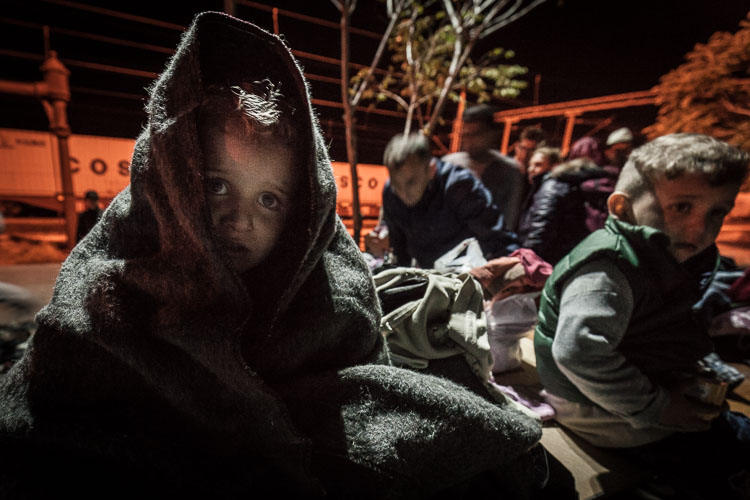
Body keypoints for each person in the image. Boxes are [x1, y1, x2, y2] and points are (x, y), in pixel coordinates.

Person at [0, 12, 544, 498]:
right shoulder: (110, 280)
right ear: (169, 175)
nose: (241, 220)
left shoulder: (330, 284)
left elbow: (358, 377)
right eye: (215, 186)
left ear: (302, 209)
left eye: (269, 199)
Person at [534, 133, 750, 499]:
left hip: (638, 393)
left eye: (717, 212)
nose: (701, 229)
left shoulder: (661, 253)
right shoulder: (608, 268)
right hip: (606, 413)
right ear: (621, 208)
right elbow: (577, 352)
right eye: (681, 207)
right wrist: (659, 407)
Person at [382, 132, 520, 269]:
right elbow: (399, 251)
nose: (403, 193)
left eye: (411, 182)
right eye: (396, 184)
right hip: (429, 275)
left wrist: (513, 271)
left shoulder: (459, 186)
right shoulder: (390, 193)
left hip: (468, 275)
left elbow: (498, 239)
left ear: (431, 170)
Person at [442, 104, 526, 230]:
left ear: (491, 134)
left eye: (476, 134)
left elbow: (509, 219)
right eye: (465, 135)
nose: (469, 141)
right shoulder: (449, 165)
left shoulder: (510, 171)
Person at [516, 146, 561, 240]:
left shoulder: (550, 190)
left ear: (554, 166)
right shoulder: (535, 188)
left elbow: (540, 230)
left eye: (538, 165)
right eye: (530, 165)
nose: (530, 169)